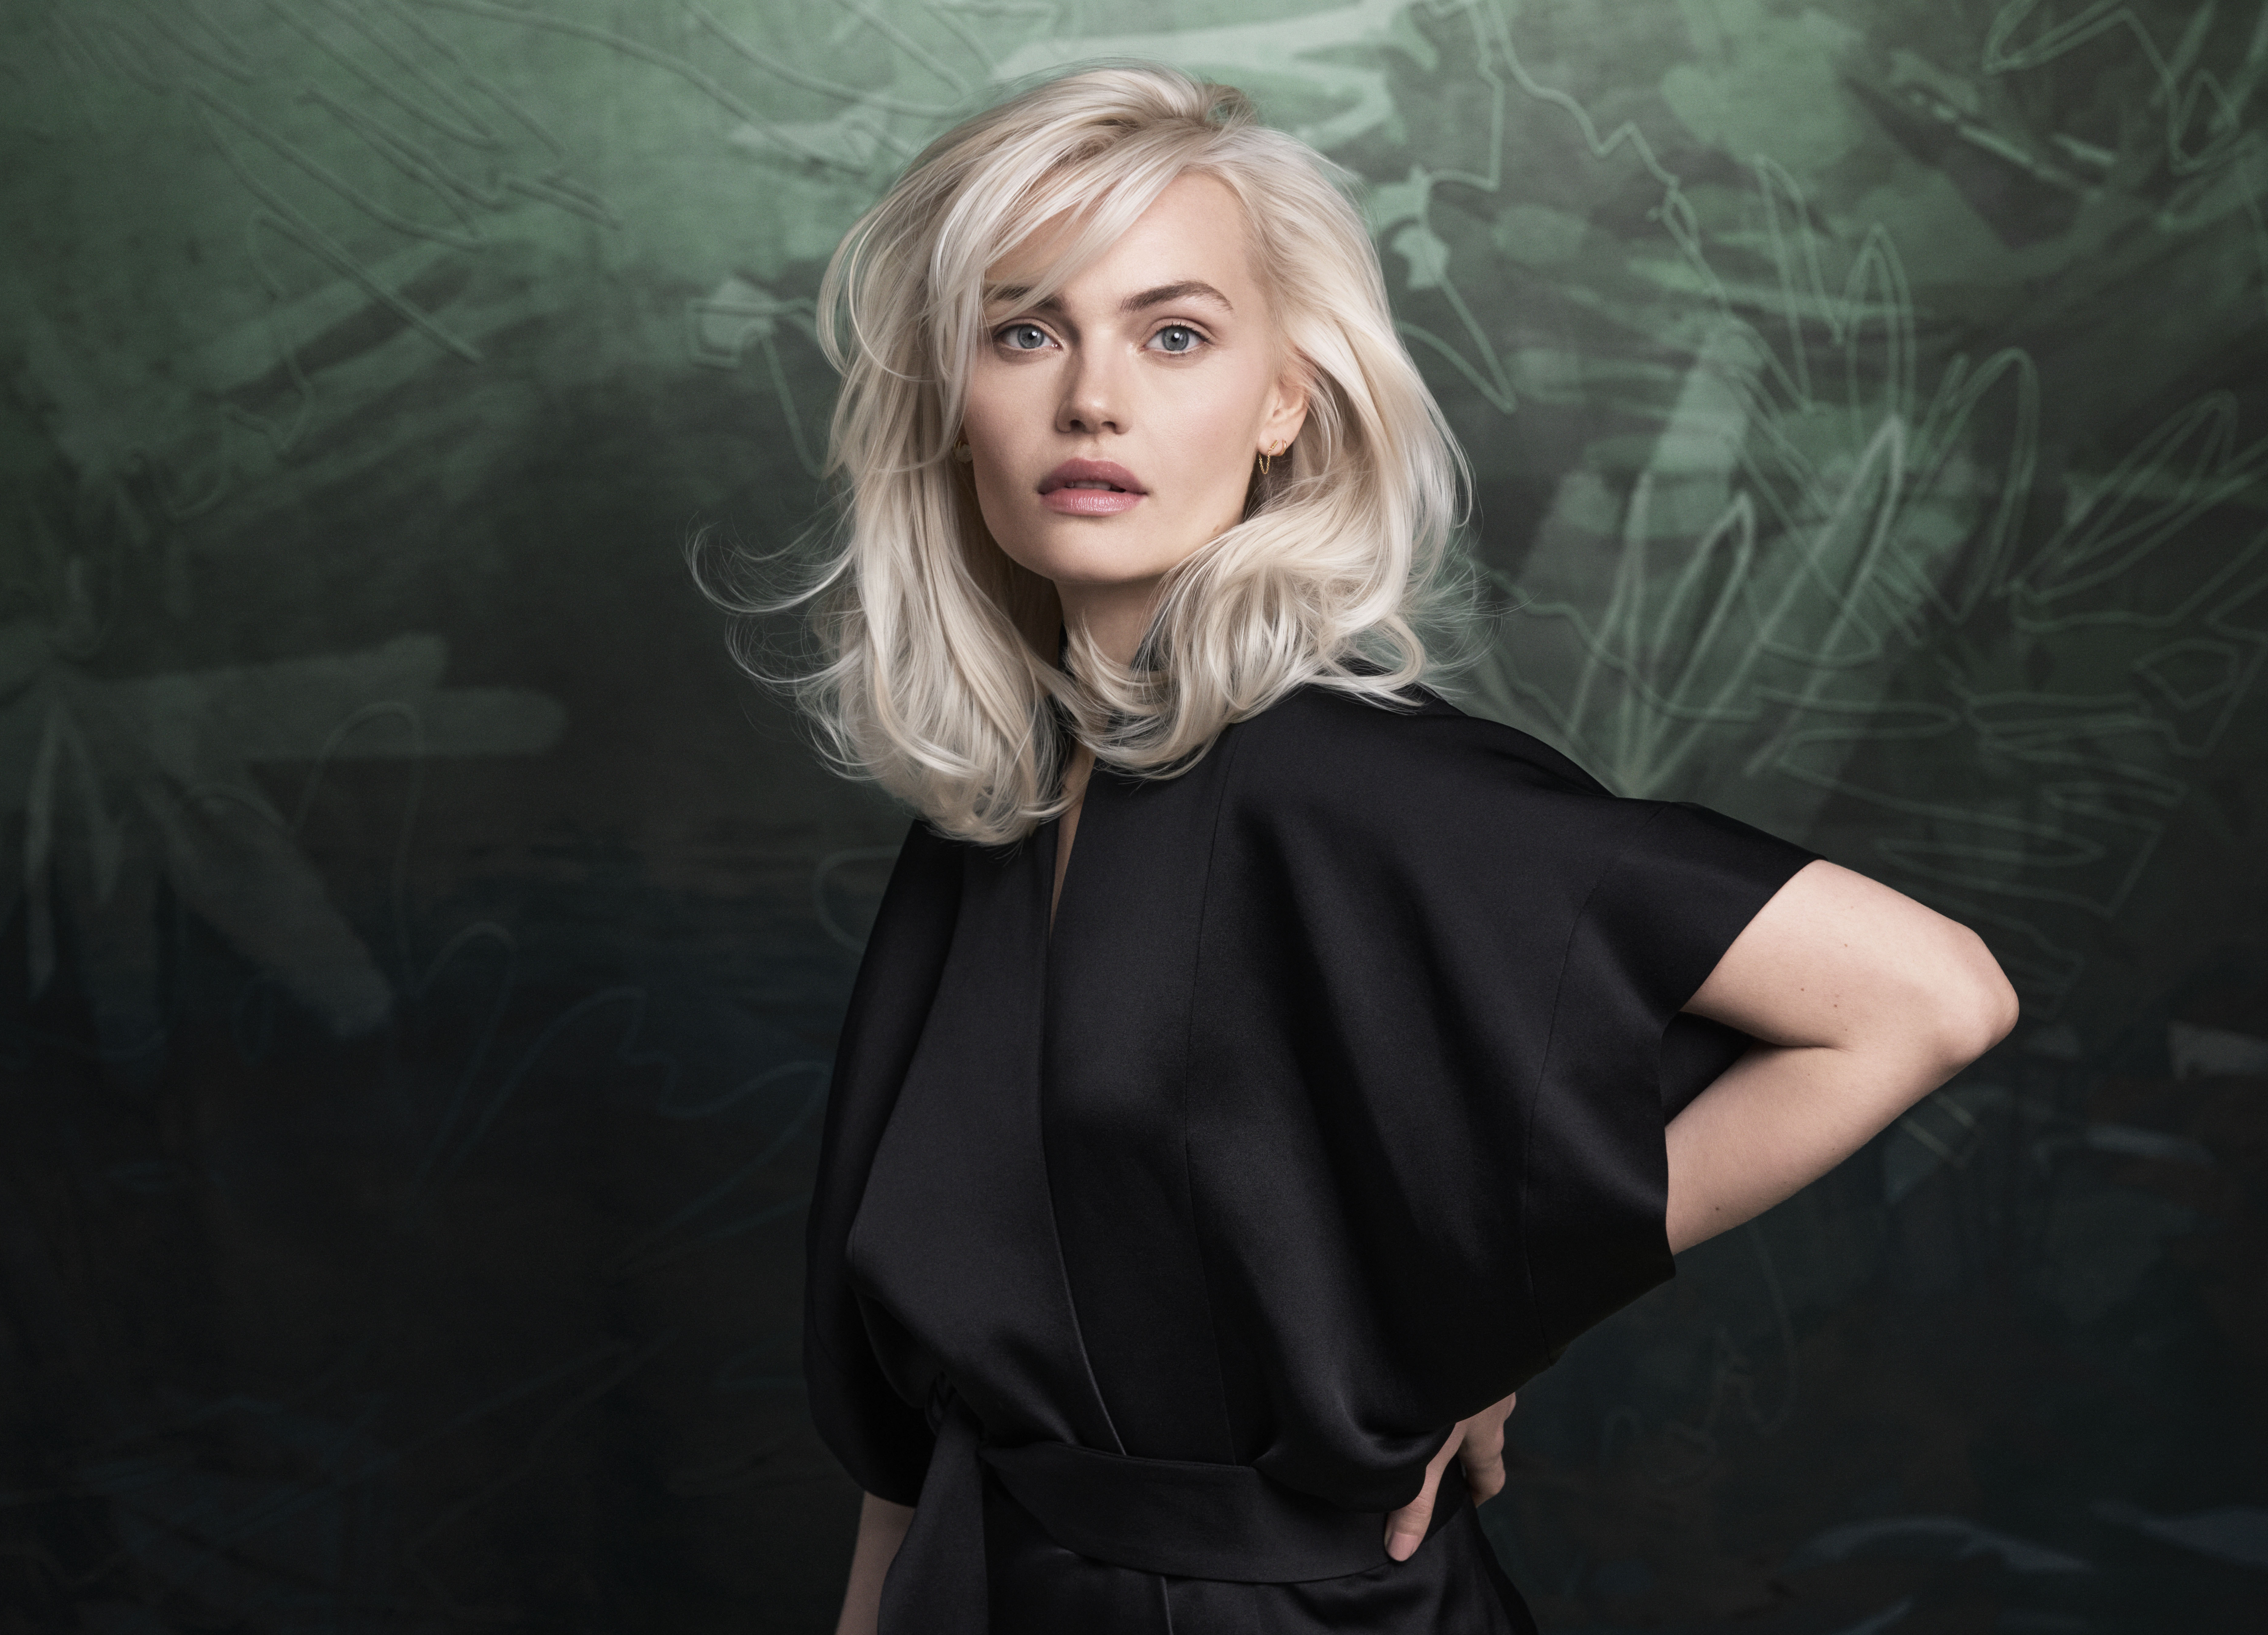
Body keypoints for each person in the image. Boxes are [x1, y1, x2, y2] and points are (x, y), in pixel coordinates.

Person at [724, 63, 2017, 1634]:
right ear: (952, 396)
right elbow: (918, 1439)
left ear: (1286, 401)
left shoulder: (1353, 782)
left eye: (1174, 335)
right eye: (1024, 332)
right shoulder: (995, 812)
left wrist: (1483, 1323)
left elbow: (1927, 996)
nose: (1092, 400)